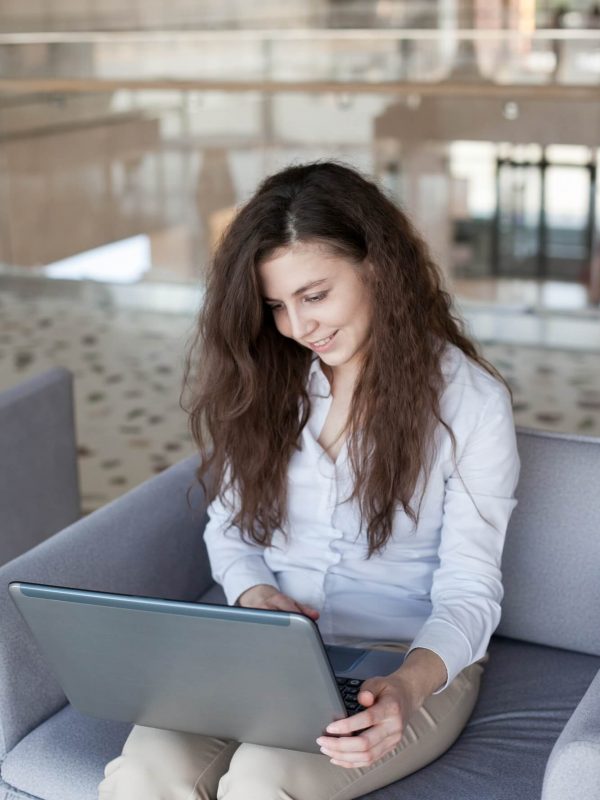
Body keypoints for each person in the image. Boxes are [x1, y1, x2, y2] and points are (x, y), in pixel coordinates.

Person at [98, 160, 520, 800]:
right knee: (143, 775)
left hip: (408, 660)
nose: (298, 328)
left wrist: (406, 689)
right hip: (271, 650)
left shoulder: (471, 403)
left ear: (378, 267)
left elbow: (470, 588)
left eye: (315, 295)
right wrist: (254, 594)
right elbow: (230, 529)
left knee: (263, 781)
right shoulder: (269, 377)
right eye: (277, 306)